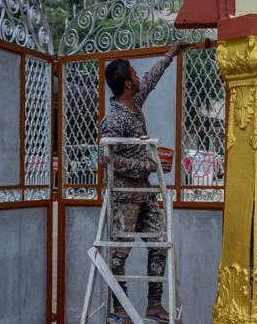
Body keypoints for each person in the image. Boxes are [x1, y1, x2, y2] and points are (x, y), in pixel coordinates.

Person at [99, 41, 190, 324]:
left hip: (145, 192)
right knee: (119, 255)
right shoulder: (113, 120)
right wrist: (147, 165)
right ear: (127, 83)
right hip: (124, 196)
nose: (139, 78)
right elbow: (106, 159)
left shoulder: (135, 104)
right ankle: (120, 308)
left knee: (160, 243)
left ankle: (153, 305)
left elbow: (151, 77)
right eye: (134, 74)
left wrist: (171, 54)